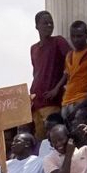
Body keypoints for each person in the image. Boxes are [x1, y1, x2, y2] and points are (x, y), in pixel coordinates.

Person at [29, 11, 72, 139]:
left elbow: (71, 64)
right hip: (36, 101)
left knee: (52, 138)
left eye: (51, 23)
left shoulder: (58, 41)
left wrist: (57, 88)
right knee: (39, 139)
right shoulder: (33, 48)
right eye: (45, 23)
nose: (49, 25)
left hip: (51, 100)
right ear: (37, 26)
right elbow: (36, 72)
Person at [57, 21, 87, 122]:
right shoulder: (69, 55)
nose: (75, 40)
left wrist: (81, 106)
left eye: (79, 36)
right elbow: (68, 79)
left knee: (83, 136)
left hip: (81, 103)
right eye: (73, 36)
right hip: (66, 103)